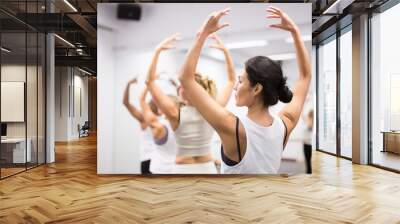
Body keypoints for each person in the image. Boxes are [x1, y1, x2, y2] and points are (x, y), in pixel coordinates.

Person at [178, 7, 311, 174]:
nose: (235, 85)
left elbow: (185, 78)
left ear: (256, 89)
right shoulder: (285, 124)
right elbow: (305, 77)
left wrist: (202, 35)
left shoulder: (232, 127)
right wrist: (295, 32)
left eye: (240, 81)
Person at [145, 33, 236, 174]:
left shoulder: (176, 112)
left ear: (194, 91)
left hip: (194, 168)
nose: (179, 87)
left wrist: (157, 51)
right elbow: (231, 80)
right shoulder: (212, 110)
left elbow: (149, 82)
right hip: (196, 168)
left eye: (183, 86)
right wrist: (226, 53)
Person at [139, 86, 177, 174]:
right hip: (175, 170)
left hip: (159, 170)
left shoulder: (158, 126)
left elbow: (142, 100)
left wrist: (149, 84)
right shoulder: (183, 123)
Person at [123, 78, 154, 174]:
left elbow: (126, 103)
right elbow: (126, 103)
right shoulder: (144, 118)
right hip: (148, 159)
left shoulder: (163, 119)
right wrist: (128, 84)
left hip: (157, 160)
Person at [303, 109, 313, 174]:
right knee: (307, 162)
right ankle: (308, 173)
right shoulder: (308, 122)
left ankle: (308, 173)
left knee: (308, 161)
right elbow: (303, 117)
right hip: (306, 144)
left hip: (308, 145)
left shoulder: (310, 124)